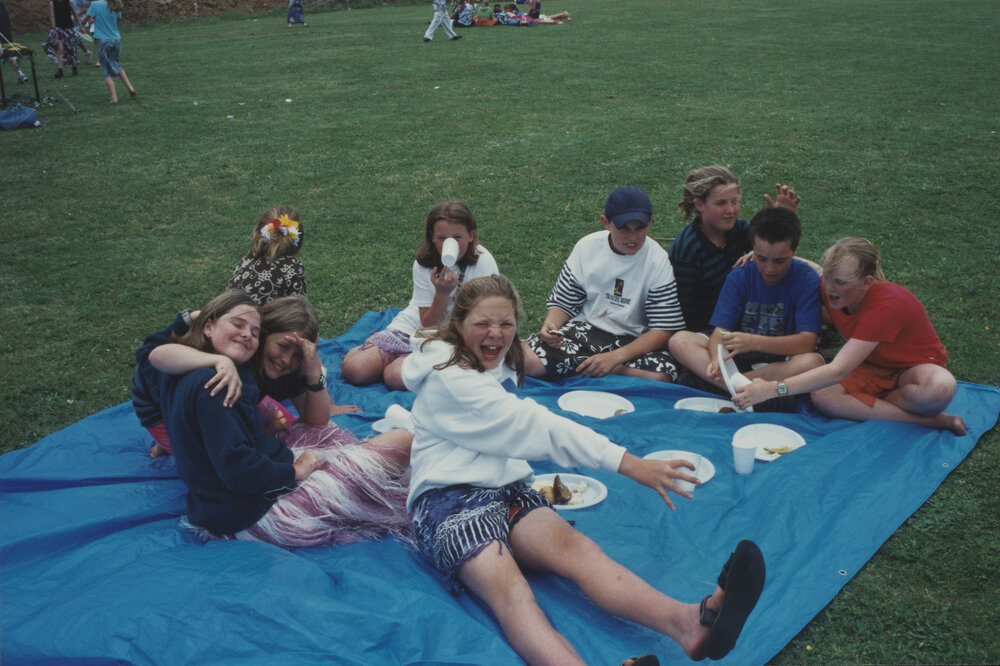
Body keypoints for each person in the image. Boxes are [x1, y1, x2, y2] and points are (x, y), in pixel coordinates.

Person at [402, 275, 766, 666]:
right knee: (513, 594)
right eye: (482, 324)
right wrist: (630, 464)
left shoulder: (483, 356)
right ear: (458, 324)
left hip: (505, 489)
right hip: (448, 502)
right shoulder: (452, 378)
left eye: (506, 324)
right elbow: (536, 425)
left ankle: (689, 624)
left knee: (579, 551)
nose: (495, 334)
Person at [140, 291, 412, 547]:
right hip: (254, 514)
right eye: (237, 325)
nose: (246, 334)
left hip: (230, 507)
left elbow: (316, 421)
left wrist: (312, 370)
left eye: (252, 331)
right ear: (209, 327)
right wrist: (295, 472)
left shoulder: (231, 373)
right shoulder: (218, 384)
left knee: (316, 435)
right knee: (404, 442)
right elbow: (238, 470)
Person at [733, 237, 966, 435]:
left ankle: (880, 404)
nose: (829, 288)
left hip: (912, 369)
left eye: (840, 282)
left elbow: (838, 370)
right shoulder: (832, 285)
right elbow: (811, 268)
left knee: (940, 388)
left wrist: (774, 389)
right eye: (828, 278)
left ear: (867, 282)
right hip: (868, 365)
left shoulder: (886, 305)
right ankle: (928, 421)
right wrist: (767, 257)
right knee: (823, 395)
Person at [135, 295, 367, 459]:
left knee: (287, 431)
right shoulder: (229, 350)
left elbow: (316, 422)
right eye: (282, 346)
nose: (286, 360)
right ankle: (167, 440)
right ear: (263, 335)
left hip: (237, 397)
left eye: (298, 355)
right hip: (163, 410)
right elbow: (150, 355)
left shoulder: (283, 362)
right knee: (240, 448)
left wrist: (313, 371)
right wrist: (197, 321)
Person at [523, 185, 685, 383]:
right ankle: (595, 368)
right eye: (623, 228)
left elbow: (664, 329)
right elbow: (565, 301)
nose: (632, 237)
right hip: (585, 331)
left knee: (661, 376)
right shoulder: (587, 247)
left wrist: (616, 358)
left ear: (650, 222)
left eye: (640, 228)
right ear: (606, 222)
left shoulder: (657, 260)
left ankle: (602, 369)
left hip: (633, 341)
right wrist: (551, 324)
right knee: (527, 360)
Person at [669, 206, 825, 403]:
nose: (769, 268)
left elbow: (807, 342)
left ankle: (724, 387)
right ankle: (744, 389)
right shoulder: (740, 275)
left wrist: (755, 342)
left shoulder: (806, 279)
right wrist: (717, 359)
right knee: (680, 341)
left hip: (781, 359)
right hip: (739, 357)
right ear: (752, 248)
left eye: (780, 261)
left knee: (813, 362)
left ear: (795, 249)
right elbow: (720, 332)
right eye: (761, 258)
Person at [340, 199, 499, 390]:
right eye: (442, 238)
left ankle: (407, 357)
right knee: (354, 370)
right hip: (419, 325)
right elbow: (428, 322)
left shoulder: (483, 262)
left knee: (394, 377)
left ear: (471, 235)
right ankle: (385, 347)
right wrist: (442, 294)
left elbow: (485, 320)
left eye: (457, 237)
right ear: (432, 237)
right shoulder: (424, 264)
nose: (449, 244)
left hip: (457, 335)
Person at [227, 205, 307, 305]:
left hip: (227, 312)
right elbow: (297, 308)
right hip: (256, 315)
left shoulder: (249, 259)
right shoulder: (292, 267)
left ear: (258, 233)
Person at [87, 0, 136, 103]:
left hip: (103, 40)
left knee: (105, 69)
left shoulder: (95, 4)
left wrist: (80, 26)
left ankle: (114, 98)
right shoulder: (115, 4)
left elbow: (86, 19)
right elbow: (115, 22)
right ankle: (130, 88)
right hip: (116, 39)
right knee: (117, 64)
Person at [44, 0, 84, 78]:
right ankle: (60, 70)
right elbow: (53, 18)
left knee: (71, 49)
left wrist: (80, 27)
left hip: (69, 28)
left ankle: (74, 67)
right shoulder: (52, 4)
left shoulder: (69, 2)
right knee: (60, 48)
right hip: (59, 29)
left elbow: (75, 15)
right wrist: (54, 30)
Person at [0, 1, 29, 84]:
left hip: (3, 35)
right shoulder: (1, 6)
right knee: (11, 55)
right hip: (6, 34)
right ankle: (21, 75)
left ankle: (21, 75)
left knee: (10, 54)